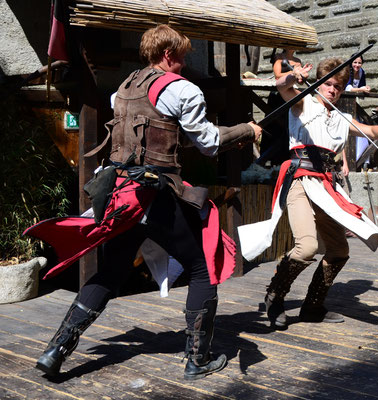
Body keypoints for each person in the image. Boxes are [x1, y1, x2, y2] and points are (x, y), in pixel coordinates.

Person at [27, 25, 262, 380]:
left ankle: (55, 350)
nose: (185, 63)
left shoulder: (124, 89)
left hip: (123, 196)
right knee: (202, 269)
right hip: (156, 196)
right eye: (182, 56)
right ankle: (197, 360)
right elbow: (209, 142)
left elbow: (159, 138)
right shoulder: (182, 89)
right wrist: (247, 130)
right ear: (167, 55)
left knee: (109, 273)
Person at [238, 57, 378, 330]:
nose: (331, 90)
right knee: (307, 246)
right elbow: (281, 86)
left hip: (328, 185)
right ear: (318, 83)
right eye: (327, 84)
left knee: (340, 249)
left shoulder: (341, 117)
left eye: (337, 87)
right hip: (301, 180)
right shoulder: (303, 103)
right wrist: (293, 77)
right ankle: (275, 295)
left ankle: (313, 305)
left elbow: (370, 130)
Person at [261, 49, 304, 165]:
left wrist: (301, 76)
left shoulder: (298, 61)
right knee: (274, 126)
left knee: (288, 125)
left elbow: (300, 80)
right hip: (278, 95)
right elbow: (277, 75)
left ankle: (285, 158)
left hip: (291, 93)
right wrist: (293, 73)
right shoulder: (279, 57)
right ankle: (268, 159)